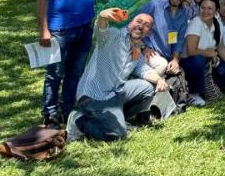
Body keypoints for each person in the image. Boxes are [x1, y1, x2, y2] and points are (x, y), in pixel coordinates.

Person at [68, 8, 167, 141]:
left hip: (116, 93)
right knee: (118, 136)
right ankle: (79, 121)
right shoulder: (114, 36)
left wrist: (159, 80)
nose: (141, 26)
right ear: (131, 23)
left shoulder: (137, 49)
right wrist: (103, 17)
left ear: (148, 32)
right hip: (94, 97)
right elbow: (100, 31)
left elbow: (143, 69)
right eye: (139, 21)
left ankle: (117, 118)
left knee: (148, 88)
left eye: (146, 25)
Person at [37, 0, 97, 125]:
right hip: (60, 31)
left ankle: (68, 109)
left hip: (84, 29)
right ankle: (50, 114)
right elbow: (42, 0)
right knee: (55, 74)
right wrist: (44, 30)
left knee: (75, 73)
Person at [183, 0, 225, 102]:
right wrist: (211, 53)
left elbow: (221, 48)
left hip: (208, 62)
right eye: (203, 8)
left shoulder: (217, 23)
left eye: (210, 8)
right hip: (189, 62)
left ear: (216, 10)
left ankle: (210, 87)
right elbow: (191, 51)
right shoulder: (196, 23)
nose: (205, 11)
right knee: (200, 60)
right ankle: (194, 92)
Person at [139, 0, 193, 88]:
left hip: (167, 54)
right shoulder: (154, 6)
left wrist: (175, 59)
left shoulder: (185, 12)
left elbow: (179, 39)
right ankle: (140, 91)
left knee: (191, 62)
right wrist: (143, 47)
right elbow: (133, 27)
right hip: (148, 51)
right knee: (162, 65)